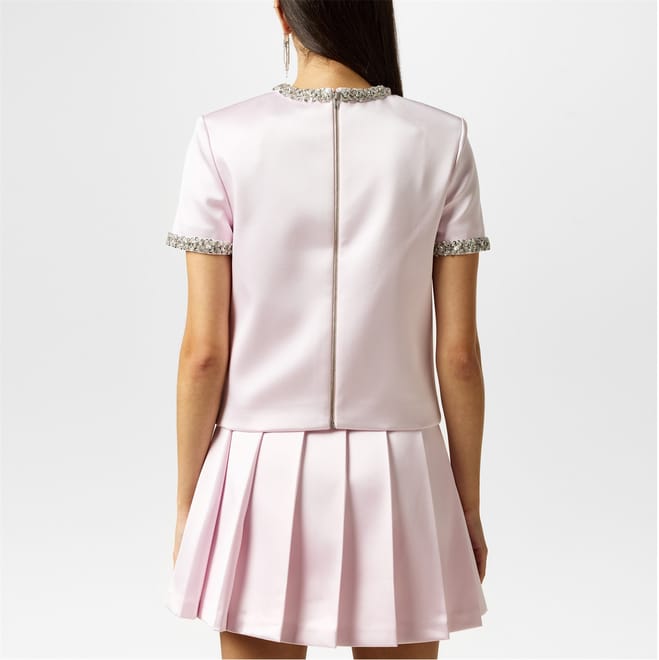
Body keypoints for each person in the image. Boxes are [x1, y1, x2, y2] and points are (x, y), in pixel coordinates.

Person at [164, 1, 491, 658]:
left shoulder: (222, 137)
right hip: (401, 469)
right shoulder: (442, 139)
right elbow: (457, 354)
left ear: (284, 16)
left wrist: (188, 502)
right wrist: (467, 505)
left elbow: (204, 353)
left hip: (259, 466)